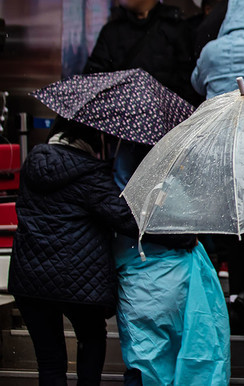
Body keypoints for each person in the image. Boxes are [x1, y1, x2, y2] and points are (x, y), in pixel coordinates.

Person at [8, 118, 142, 385]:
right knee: (91, 337)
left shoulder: (32, 163)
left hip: (30, 278)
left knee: (49, 362)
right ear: (91, 141)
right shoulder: (91, 174)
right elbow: (125, 219)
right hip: (77, 278)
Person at [111, 142, 231, 386]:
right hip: (181, 273)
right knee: (185, 348)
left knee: (145, 361)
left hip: (139, 275)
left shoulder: (123, 167)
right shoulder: (178, 162)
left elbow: (120, 211)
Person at [83, 0, 200, 105]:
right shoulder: (112, 31)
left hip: (166, 112)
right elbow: (94, 76)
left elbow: (188, 79)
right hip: (122, 112)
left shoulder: (175, 27)